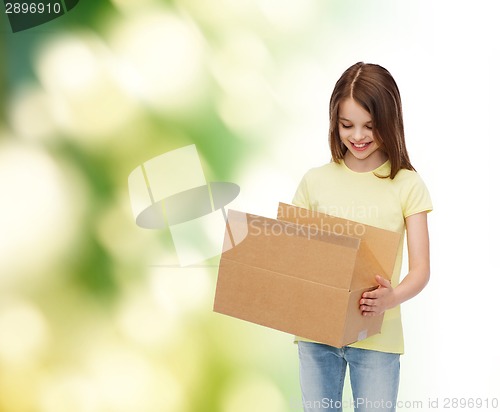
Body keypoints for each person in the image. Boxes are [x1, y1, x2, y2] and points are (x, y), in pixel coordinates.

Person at [292, 62, 432, 412]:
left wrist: (391, 297)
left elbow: (421, 270)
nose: (358, 136)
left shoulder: (407, 184)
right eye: (346, 125)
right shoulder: (315, 180)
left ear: (390, 122)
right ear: (334, 123)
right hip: (315, 333)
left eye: (370, 126)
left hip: (377, 337)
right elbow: (291, 250)